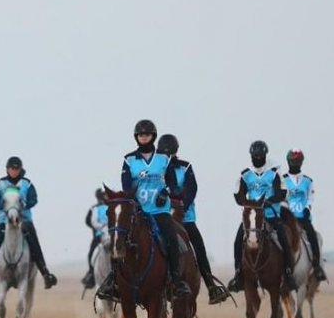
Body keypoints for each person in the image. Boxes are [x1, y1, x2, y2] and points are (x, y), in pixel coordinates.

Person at [96, 119, 190, 302]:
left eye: (147, 135)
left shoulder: (164, 159)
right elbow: (126, 185)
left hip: (159, 211)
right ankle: (113, 281)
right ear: (136, 137)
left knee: (172, 239)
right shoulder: (129, 160)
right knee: (118, 237)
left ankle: (176, 280)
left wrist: (166, 191)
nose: (143, 137)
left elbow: (172, 184)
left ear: (153, 136)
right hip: (138, 212)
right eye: (140, 135)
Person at [156, 133, 229, 305]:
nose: (167, 157)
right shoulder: (156, 169)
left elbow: (192, 189)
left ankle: (211, 286)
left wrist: (182, 205)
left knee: (199, 246)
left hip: (185, 218)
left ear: (175, 152)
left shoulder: (185, 167)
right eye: (164, 154)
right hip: (161, 215)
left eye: (170, 153)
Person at [228, 140, 297, 293]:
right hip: (252, 217)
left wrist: (269, 201)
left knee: (284, 240)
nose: (258, 159)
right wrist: (247, 203)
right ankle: (238, 275)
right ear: (251, 156)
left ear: (265, 156)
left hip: (271, 214)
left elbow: (282, 192)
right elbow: (238, 195)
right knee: (238, 241)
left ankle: (288, 274)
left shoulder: (274, 171)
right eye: (255, 156)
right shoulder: (245, 174)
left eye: (260, 156)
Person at [0, 156, 58, 289]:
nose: (14, 171)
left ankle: (45, 274)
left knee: (34, 244)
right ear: (7, 169)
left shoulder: (27, 184)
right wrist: (1, 205)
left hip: (24, 220)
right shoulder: (0, 184)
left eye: (16, 168)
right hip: (5, 221)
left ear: (20, 169)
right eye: (12, 168)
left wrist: (24, 204)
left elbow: (34, 199)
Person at [283, 149, 327, 281]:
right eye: (292, 161)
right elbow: (280, 196)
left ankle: (317, 267)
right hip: (287, 218)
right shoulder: (282, 180)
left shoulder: (308, 181)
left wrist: (307, 207)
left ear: (301, 162)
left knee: (313, 236)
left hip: (303, 217)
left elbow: (311, 197)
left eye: (297, 162)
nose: (294, 164)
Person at [81, 188, 108, 289]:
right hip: (100, 236)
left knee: (91, 254)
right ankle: (92, 273)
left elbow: (88, 221)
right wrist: (102, 227)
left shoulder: (110, 207)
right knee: (91, 254)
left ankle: (91, 274)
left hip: (108, 235)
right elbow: (90, 221)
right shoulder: (95, 209)